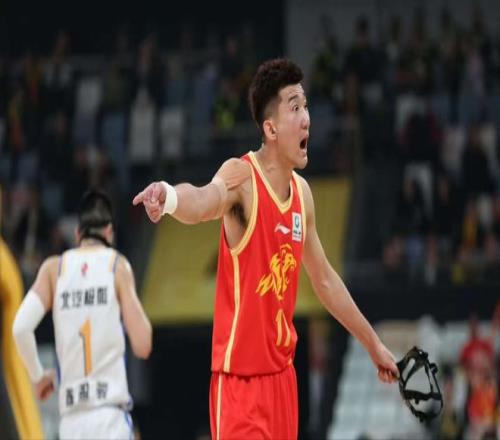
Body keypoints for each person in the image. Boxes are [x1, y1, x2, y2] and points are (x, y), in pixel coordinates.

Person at [133, 58, 398, 439]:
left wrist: (373, 345)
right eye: (295, 107)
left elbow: (324, 280)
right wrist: (169, 196)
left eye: (306, 106)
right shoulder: (242, 177)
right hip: (240, 387)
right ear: (270, 128)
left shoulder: (303, 195)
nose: (307, 119)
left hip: (283, 383)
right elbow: (204, 200)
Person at [13, 190, 152, 439]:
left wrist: (38, 376)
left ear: (78, 234)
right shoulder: (117, 265)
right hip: (109, 416)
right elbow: (143, 345)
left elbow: (20, 329)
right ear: (109, 232)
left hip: (72, 422)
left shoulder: (54, 269)